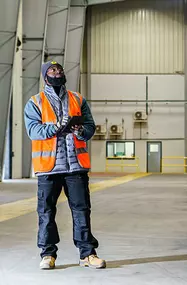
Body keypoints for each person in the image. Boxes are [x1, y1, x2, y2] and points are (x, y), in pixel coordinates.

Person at [24, 61, 106, 270]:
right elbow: (34, 131)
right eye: (52, 70)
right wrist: (57, 127)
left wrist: (79, 130)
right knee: (46, 212)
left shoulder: (77, 99)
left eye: (60, 70)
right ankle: (48, 254)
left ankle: (87, 254)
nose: (57, 73)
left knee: (81, 210)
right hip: (48, 168)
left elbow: (90, 127)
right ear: (45, 76)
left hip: (75, 167)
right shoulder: (35, 102)